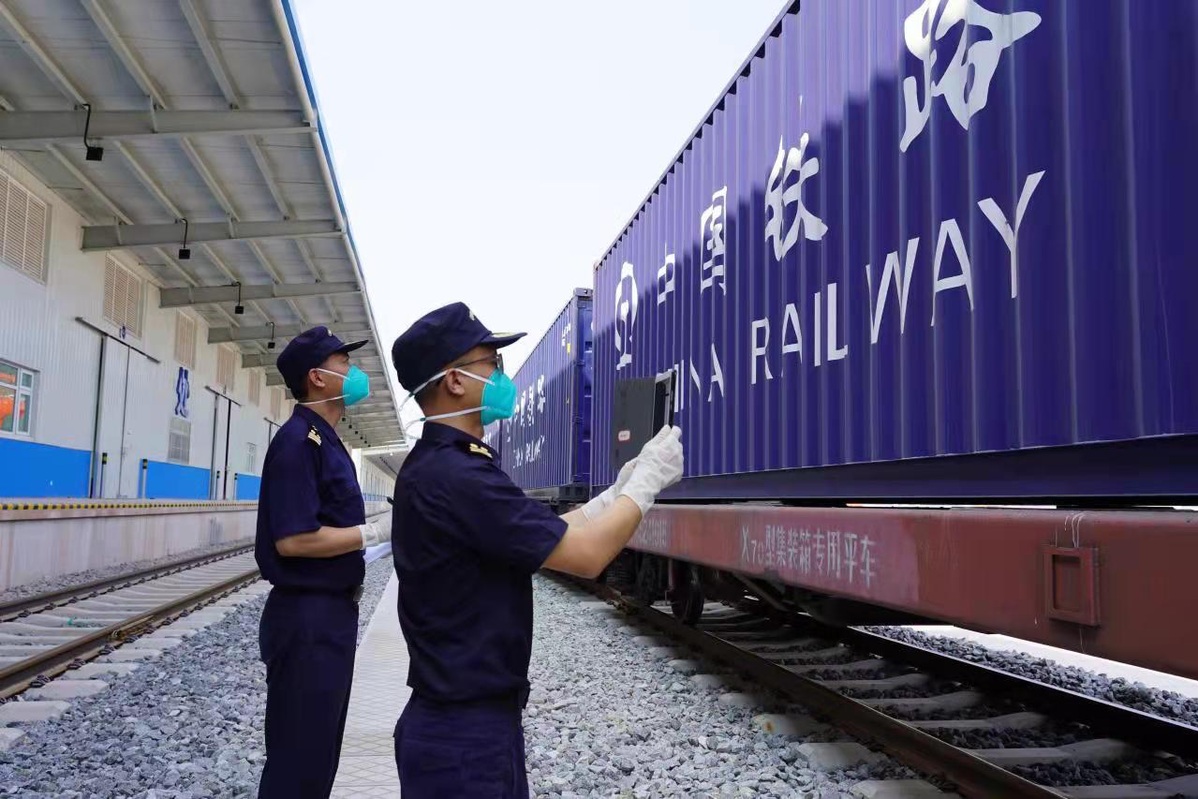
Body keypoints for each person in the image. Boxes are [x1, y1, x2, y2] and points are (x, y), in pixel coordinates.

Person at [388, 302, 684, 798]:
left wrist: (613, 495)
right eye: (492, 365)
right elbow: (586, 557)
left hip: (465, 728)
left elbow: (546, 532)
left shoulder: (445, 468)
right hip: (463, 741)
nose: (502, 378)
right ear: (455, 380)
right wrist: (648, 484)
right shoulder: (458, 477)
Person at [253, 326, 392, 799]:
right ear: (317, 377)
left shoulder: (324, 439)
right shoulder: (298, 441)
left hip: (328, 616)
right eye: (344, 363)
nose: (354, 372)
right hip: (308, 620)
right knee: (298, 764)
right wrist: (372, 532)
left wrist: (371, 547)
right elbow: (293, 540)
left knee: (318, 758)